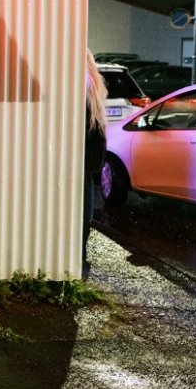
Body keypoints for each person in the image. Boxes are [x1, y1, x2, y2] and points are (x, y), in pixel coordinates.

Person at [84, 49, 108, 265]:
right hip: (95, 148)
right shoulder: (96, 82)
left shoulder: (82, 81)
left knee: (81, 200)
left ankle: (79, 251)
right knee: (87, 197)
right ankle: (82, 248)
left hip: (85, 148)